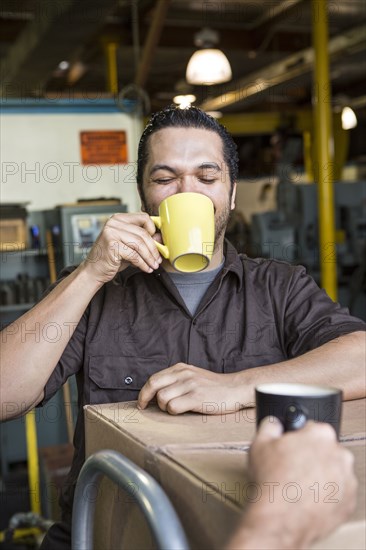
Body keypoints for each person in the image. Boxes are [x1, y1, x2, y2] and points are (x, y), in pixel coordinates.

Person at [0, 106, 365, 549]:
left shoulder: (280, 287)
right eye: (165, 178)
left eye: (206, 178)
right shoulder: (96, 290)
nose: (185, 191)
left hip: (227, 526)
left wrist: (235, 387)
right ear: (144, 197)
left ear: (231, 195)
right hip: (101, 532)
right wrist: (90, 274)